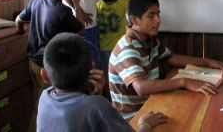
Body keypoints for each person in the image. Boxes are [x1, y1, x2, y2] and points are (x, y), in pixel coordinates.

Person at [109, 0, 223, 119]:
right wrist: (184, 82)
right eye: (151, 16)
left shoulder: (149, 40)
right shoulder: (128, 48)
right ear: (135, 20)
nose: (158, 20)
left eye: (158, 14)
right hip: (132, 117)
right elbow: (141, 87)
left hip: (152, 103)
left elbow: (171, 58)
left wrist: (207, 62)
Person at [37, 33, 168, 132]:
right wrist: (144, 124)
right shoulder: (97, 106)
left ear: (45, 76)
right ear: (92, 68)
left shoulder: (44, 98)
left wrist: (96, 94)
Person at [15, 0, 84, 131]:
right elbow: (81, 28)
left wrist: (20, 30)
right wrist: (77, 4)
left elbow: (19, 19)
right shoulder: (63, 11)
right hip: (48, 68)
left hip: (32, 61)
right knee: (44, 108)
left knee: (38, 103)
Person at [97, 0, 137, 76]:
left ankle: (107, 91)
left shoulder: (98, 6)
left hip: (103, 48)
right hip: (118, 47)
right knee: (122, 73)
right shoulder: (121, 5)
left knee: (108, 74)